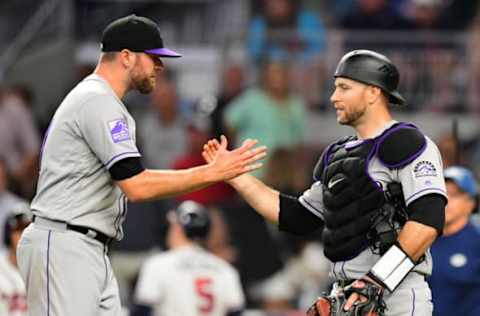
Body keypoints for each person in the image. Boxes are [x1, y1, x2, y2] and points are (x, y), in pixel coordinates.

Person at [16, 14, 266, 316]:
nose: (160, 66)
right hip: (64, 244)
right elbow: (137, 185)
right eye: (153, 58)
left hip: (86, 246)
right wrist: (212, 172)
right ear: (125, 57)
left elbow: (137, 179)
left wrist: (211, 172)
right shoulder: (98, 101)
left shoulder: (102, 100)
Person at [204, 49, 447, 315]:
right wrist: (237, 176)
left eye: (344, 87)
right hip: (346, 296)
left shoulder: (408, 144)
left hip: (395, 294)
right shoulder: (338, 154)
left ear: (373, 92)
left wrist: (377, 281)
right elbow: (298, 217)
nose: (334, 97)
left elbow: (427, 222)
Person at [132, 200, 245, 316]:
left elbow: (141, 311)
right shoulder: (225, 269)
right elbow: (236, 312)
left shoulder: (157, 264)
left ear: (177, 228)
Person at [429, 166, 480, 316]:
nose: (446, 200)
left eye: (455, 195)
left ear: (471, 203)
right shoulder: (421, 238)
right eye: (443, 192)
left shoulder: (476, 242)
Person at [0, 208, 31, 316]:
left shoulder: (43, 269)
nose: (23, 235)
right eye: (18, 229)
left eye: (26, 229)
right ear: (8, 234)